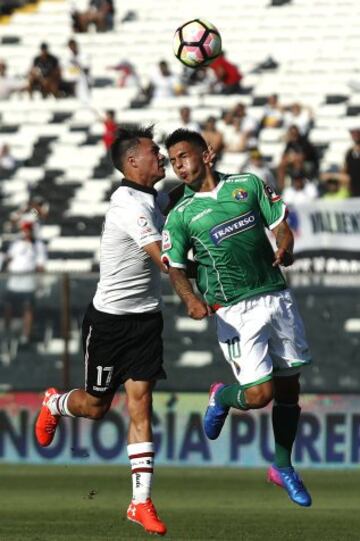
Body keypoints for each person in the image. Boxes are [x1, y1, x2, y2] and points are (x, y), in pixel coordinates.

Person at [161, 129, 312, 508]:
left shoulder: (247, 185)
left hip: (276, 295)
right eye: (174, 160)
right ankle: (223, 396)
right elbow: (176, 268)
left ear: (207, 154)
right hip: (234, 310)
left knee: (290, 388)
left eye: (184, 156)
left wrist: (286, 246)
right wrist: (191, 300)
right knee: (261, 395)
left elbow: (279, 224)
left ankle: (282, 466)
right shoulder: (180, 215)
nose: (179, 165)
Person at [34, 126, 168, 536]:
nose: (160, 155)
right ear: (132, 162)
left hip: (146, 318)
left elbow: (178, 204)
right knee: (96, 407)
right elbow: (163, 257)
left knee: (141, 404)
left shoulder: (153, 198)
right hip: (110, 322)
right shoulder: (128, 205)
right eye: (153, 151)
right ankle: (55, 404)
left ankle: (140, 502)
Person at [3, 220, 47, 345]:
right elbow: (9, 258)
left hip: (28, 281)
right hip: (14, 281)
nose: (26, 232)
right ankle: (7, 332)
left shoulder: (38, 245)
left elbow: (40, 265)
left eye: (28, 229)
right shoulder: (16, 244)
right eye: (24, 229)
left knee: (28, 308)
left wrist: (40, 283)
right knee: (8, 307)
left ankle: (26, 334)